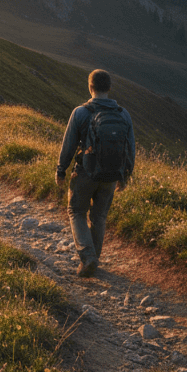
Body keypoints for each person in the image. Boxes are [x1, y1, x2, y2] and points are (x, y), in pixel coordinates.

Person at [55, 69, 135, 277]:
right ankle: (93, 260)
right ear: (109, 88)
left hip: (85, 173)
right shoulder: (123, 114)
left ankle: (88, 257)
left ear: (90, 87)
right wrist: (125, 175)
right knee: (99, 217)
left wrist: (61, 170)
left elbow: (69, 145)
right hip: (112, 175)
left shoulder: (80, 113)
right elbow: (130, 148)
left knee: (76, 212)